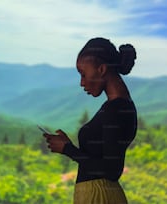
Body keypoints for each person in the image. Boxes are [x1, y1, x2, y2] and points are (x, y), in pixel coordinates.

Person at [44, 37, 137, 204]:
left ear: (101, 69)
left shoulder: (116, 110)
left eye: (83, 74)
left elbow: (112, 170)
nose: (81, 82)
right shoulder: (118, 107)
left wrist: (68, 149)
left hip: (100, 197)